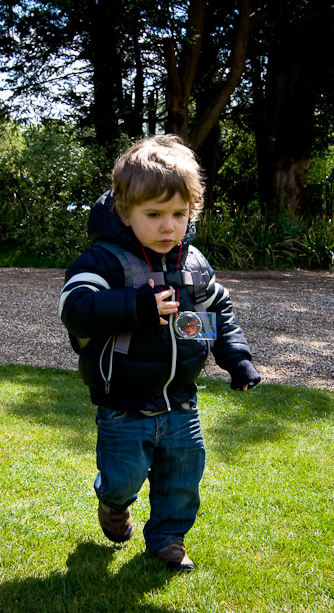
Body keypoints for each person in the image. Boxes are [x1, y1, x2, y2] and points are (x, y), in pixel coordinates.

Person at [59, 135, 260, 572]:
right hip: (123, 403)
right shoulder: (105, 260)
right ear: (125, 212)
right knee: (123, 476)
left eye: (179, 214)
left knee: (183, 477)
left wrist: (236, 357)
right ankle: (113, 501)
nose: (168, 227)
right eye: (154, 215)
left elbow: (216, 311)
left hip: (181, 400)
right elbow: (74, 309)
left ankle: (168, 538)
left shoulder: (193, 263)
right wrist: (137, 306)